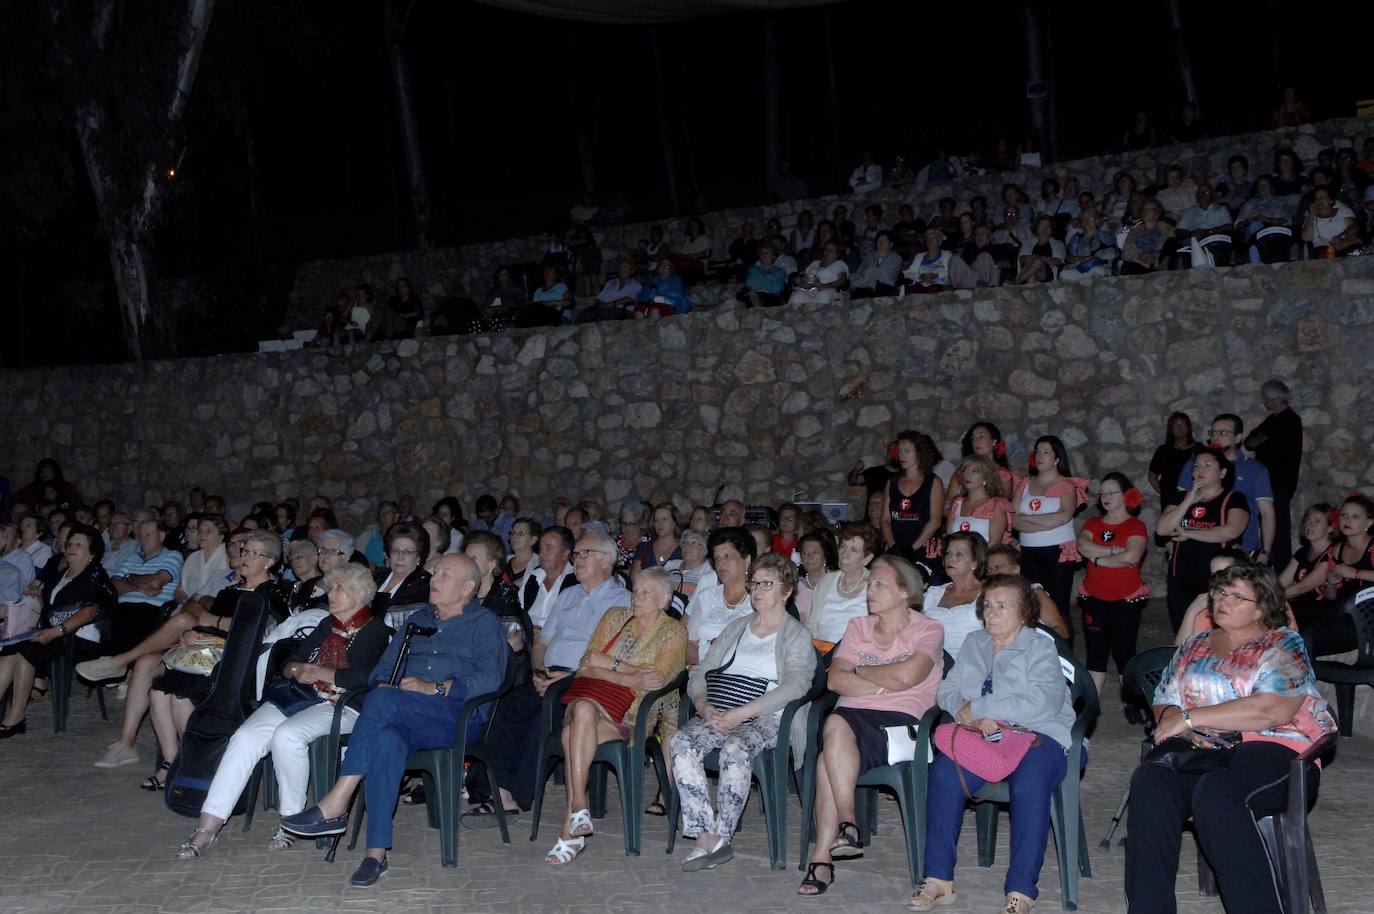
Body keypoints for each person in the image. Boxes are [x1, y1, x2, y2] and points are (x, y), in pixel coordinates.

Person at [280, 554, 506, 887]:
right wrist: (385, 683)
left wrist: (437, 687)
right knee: (384, 738)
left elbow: (492, 678)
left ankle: (338, 799)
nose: (435, 578)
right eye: (435, 573)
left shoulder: (484, 623)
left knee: (382, 700)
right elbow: (382, 671)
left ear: (468, 586)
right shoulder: (419, 618)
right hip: (403, 710)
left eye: (445, 575)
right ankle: (375, 854)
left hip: (454, 715)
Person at [1125, 563, 1337, 914]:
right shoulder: (1194, 645)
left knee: (1218, 795)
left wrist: (1193, 717)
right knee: (1150, 783)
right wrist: (1176, 723)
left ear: (1261, 607)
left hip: (1280, 748)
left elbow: (1274, 710)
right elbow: (1166, 698)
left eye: (1237, 596)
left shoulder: (1283, 643)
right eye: (1221, 592)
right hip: (1206, 750)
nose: (1223, 600)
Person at [173, 563, 391, 857]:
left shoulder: (374, 630)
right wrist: (298, 669)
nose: (331, 593)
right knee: (245, 736)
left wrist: (316, 672)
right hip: (299, 696)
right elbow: (288, 664)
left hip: (342, 703)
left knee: (288, 735)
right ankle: (207, 827)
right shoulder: (328, 625)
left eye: (340, 587)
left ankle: (290, 822)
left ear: (362, 594)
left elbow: (361, 677)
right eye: (331, 587)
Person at [911, 575, 1075, 914]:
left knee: (1029, 783)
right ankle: (939, 880)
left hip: (1040, 735)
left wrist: (981, 708)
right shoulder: (974, 643)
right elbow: (946, 690)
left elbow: (1042, 703)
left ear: (1025, 612)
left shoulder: (1041, 646)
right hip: (986, 737)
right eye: (988, 605)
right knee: (944, 772)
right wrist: (966, 715)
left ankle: (1021, 890)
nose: (992, 613)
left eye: (1003, 606)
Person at [798, 556, 943, 896]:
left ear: (905, 591)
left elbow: (909, 675)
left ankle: (824, 855)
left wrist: (859, 672)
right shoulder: (858, 627)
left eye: (880, 584)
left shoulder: (928, 629)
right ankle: (847, 827)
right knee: (835, 724)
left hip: (902, 726)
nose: (870, 590)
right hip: (851, 721)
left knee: (828, 749)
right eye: (870, 583)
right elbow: (834, 680)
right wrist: (885, 683)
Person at [463, 531, 630, 823]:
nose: (576, 560)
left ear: (605, 560)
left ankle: (516, 794)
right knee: (505, 706)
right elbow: (541, 643)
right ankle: (493, 788)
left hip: (586, 680)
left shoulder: (622, 601)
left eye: (583, 554)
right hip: (548, 673)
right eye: (575, 554)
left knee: (544, 714)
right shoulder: (568, 595)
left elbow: (617, 658)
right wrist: (539, 670)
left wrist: (566, 677)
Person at [671, 553, 817, 872]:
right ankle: (707, 836)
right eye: (755, 583)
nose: (757, 590)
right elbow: (701, 670)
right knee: (682, 742)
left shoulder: (796, 635)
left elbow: (797, 686)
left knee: (736, 748)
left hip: (768, 715)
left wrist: (744, 713)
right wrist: (702, 704)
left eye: (768, 584)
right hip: (722, 707)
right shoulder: (737, 627)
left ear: (786, 591)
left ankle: (723, 836)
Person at [544, 568, 687, 864]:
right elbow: (585, 667)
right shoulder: (614, 617)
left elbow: (656, 680)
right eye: (635, 590)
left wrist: (609, 665)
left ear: (664, 599)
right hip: (590, 697)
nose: (637, 597)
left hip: (633, 715)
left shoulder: (674, 631)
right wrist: (630, 675)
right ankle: (579, 808)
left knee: (572, 734)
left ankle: (572, 824)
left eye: (646, 592)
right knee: (583, 708)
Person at [143, 531, 285, 788]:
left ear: (270, 561)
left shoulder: (272, 593)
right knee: (157, 693)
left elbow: (260, 629)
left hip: (240, 667)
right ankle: (171, 762)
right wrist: (192, 633)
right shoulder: (230, 592)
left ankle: (193, 765)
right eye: (245, 551)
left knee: (180, 697)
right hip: (207, 658)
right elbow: (208, 624)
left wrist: (214, 621)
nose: (246, 557)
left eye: (255, 553)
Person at [0, 525, 117, 738]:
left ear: (92, 553)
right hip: (55, 634)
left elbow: (91, 611)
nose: (72, 547)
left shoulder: (95, 575)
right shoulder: (61, 574)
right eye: (70, 543)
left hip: (81, 639)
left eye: (79, 545)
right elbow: (50, 605)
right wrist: (36, 595)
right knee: (10, 649)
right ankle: (16, 715)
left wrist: (56, 631)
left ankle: (16, 715)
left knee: (26, 650)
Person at [1159, 448, 1251, 631]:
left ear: (1223, 472)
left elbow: (1231, 531)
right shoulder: (1181, 497)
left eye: (1207, 465)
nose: (1200, 469)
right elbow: (1162, 529)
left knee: (1217, 632)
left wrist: (1188, 533)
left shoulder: (1234, 498)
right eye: (1196, 465)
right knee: (1184, 631)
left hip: (1218, 578)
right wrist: (1188, 501)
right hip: (1181, 576)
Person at [1075, 473, 1150, 697]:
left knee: (1124, 652)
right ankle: (1091, 706)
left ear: (1126, 495)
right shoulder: (1093, 523)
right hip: (1094, 595)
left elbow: (1131, 557)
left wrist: (1097, 559)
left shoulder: (1135, 526)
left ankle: (1133, 703)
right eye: (1102, 493)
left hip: (1125, 598)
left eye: (1111, 492)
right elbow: (1082, 547)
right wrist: (1112, 552)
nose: (1105, 497)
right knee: (1095, 654)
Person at [1177, 414, 1274, 562]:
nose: (1216, 438)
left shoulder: (1255, 470)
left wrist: (1266, 552)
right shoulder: (1194, 465)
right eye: (1213, 433)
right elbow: (1176, 506)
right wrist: (1171, 542)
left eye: (1222, 433)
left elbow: (1267, 513)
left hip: (1240, 549)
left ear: (1238, 437)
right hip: (1196, 545)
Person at [1011, 436, 1088, 621]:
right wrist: (1043, 521)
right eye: (1037, 451)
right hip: (1028, 552)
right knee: (1031, 606)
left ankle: (1063, 649)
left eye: (1046, 452)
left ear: (1057, 458)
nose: (1040, 455)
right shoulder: (1025, 484)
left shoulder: (1066, 484)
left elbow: (1064, 516)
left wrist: (1028, 520)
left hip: (1057, 553)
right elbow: (1011, 518)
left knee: (1058, 606)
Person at [1245, 379, 1303, 569]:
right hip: (1267, 483)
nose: (1264, 401)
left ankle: (1283, 574)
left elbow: (1279, 450)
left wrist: (1262, 441)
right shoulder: (1271, 420)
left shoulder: (1291, 421)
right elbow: (1249, 442)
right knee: (1269, 529)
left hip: (1280, 484)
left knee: (1280, 531)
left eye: (1265, 398)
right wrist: (1262, 440)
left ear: (1274, 399)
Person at [685, 527, 756, 663]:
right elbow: (690, 644)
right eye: (717, 558)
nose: (721, 563)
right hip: (706, 675)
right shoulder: (706, 597)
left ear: (746, 560)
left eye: (727, 556)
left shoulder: (759, 598)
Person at [807, 523, 877, 647]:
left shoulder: (875, 586)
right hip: (823, 653)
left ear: (866, 559)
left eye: (853, 550)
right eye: (843, 547)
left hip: (857, 656)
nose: (844, 554)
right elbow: (812, 625)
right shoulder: (826, 581)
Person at [881, 431, 944, 563]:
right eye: (900, 451)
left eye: (907, 451)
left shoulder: (933, 482)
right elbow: (885, 520)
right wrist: (894, 547)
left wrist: (911, 549)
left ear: (919, 452)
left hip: (924, 548)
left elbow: (935, 521)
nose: (902, 455)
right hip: (895, 547)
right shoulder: (892, 482)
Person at [985, 546, 1072, 641]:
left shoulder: (1035, 593)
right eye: (989, 570)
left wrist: (1034, 643)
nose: (993, 574)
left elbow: (1061, 629)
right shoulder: (986, 598)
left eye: (998, 567)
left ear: (1016, 569)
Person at [922, 532, 986, 658]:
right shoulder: (934, 593)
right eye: (948, 553)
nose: (951, 558)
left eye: (959, 554)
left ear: (975, 563)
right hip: (931, 665)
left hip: (974, 668)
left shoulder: (990, 593)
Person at [370, 522, 432, 627]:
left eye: (407, 552)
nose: (400, 557)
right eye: (396, 550)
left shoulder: (424, 585)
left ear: (418, 557)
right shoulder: (378, 576)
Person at [1147, 412, 1199, 513]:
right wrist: (1165, 492)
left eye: (1182, 424)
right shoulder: (1163, 450)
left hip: (1193, 501)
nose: (1179, 427)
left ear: (1188, 427)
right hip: (1169, 502)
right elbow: (1152, 476)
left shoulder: (1198, 449)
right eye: (1176, 424)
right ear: (1170, 429)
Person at [794, 529, 838, 625]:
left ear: (825, 556)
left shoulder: (837, 582)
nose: (809, 557)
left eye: (815, 553)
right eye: (805, 553)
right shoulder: (794, 587)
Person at [788, 240, 849, 306]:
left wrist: (824, 286)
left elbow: (842, 281)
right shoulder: (815, 263)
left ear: (838, 254)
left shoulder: (839, 264)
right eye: (826, 249)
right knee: (796, 296)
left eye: (831, 250)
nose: (827, 252)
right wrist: (800, 281)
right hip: (810, 289)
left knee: (823, 295)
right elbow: (805, 278)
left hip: (828, 290)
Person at [631, 503, 682, 576]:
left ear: (675, 522)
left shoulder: (684, 549)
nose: (659, 524)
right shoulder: (644, 547)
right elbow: (634, 578)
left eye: (664, 519)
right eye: (656, 520)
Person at [850, 231, 902, 299]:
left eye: (884, 241)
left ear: (891, 244)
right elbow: (860, 272)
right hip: (866, 286)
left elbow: (889, 277)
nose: (881, 243)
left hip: (886, 289)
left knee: (881, 289)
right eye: (879, 240)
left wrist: (871, 270)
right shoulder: (869, 256)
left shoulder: (896, 258)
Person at [901, 229, 954, 294]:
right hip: (920, 286)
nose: (930, 241)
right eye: (928, 239)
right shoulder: (919, 256)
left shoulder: (947, 254)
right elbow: (908, 273)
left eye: (933, 239)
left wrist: (936, 275)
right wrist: (921, 276)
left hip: (939, 286)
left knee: (933, 290)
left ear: (939, 242)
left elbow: (952, 273)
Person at [741, 243, 789, 308]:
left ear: (773, 257)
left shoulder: (780, 271)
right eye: (762, 253)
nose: (764, 255)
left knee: (769, 301)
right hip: (753, 294)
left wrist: (758, 282)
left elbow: (778, 288)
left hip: (770, 296)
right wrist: (769, 279)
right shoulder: (753, 269)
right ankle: (757, 305)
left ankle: (758, 305)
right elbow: (749, 283)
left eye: (767, 253)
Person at [672, 528, 712, 601]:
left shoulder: (710, 568)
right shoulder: (672, 564)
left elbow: (705, 593)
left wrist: (668, 586)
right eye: (684, 543)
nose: (687, 546)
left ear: (705, 550)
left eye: (694, 542)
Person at [507, 517, 542, 589]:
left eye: (520, 533)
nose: (514, 536)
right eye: (513, 532)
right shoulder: (503, 561)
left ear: (533, 540)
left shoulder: (540, 565)